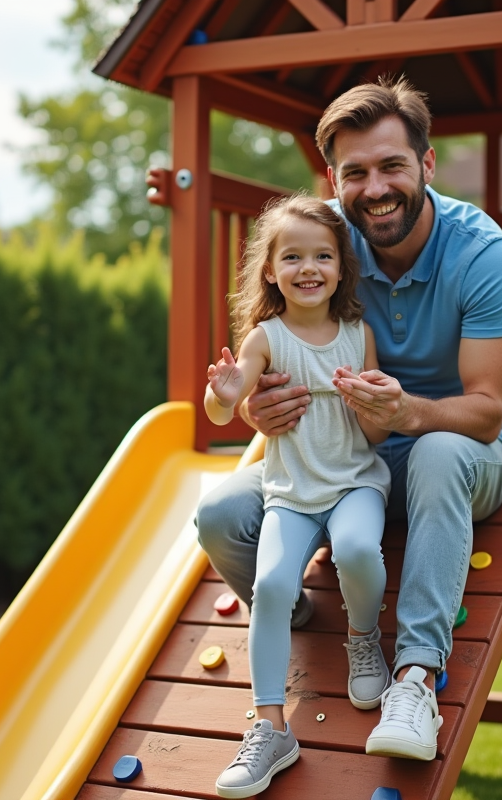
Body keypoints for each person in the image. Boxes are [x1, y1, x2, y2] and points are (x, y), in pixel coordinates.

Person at [196, 76, 502, 762]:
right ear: (332, 178)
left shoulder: (482, 253)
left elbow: (488, 414)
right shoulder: (322, 243)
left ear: (427, 165)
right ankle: (303, 621)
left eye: (392, 166)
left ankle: (413, 678)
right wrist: (260, 403)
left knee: (433, 450)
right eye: (356, 172)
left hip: (460, 449)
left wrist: (408, 411)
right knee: (221, 514)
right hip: (344, 459)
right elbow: (272, 350)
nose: (375, 187)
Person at [202, 194, 394, 798]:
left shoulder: (358, 334)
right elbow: (221, 408)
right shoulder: (266, 337)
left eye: (322, 256)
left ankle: (363, 641)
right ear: (270, 270)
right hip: (290, 494)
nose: (308, 268)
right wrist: (226, 392)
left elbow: (375, 433)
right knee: (273, 588)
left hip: (356, 482)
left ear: (340, 268)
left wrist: (372, 403)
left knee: (360, 548)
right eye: (293, 257)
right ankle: (270, 729)